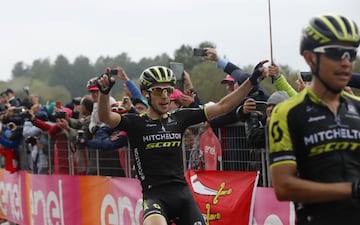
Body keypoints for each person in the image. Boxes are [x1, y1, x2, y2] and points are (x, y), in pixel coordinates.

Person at [96, 63, 268, 225]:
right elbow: (106, 117)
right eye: (158, 90)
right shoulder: (135, 123)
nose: (164, 96)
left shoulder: (179, 118)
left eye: (168, 90)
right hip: (155, 196)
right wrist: (104, 94)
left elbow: (223, 106)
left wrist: (252, 80)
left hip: (183, 195)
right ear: (146, 93)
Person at [269, 14, 360, 224]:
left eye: (351, 54)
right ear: (310, 58)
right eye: (336, 53)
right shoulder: (286, 113)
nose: (346, 63)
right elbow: (283, 187)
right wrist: (351, 189)